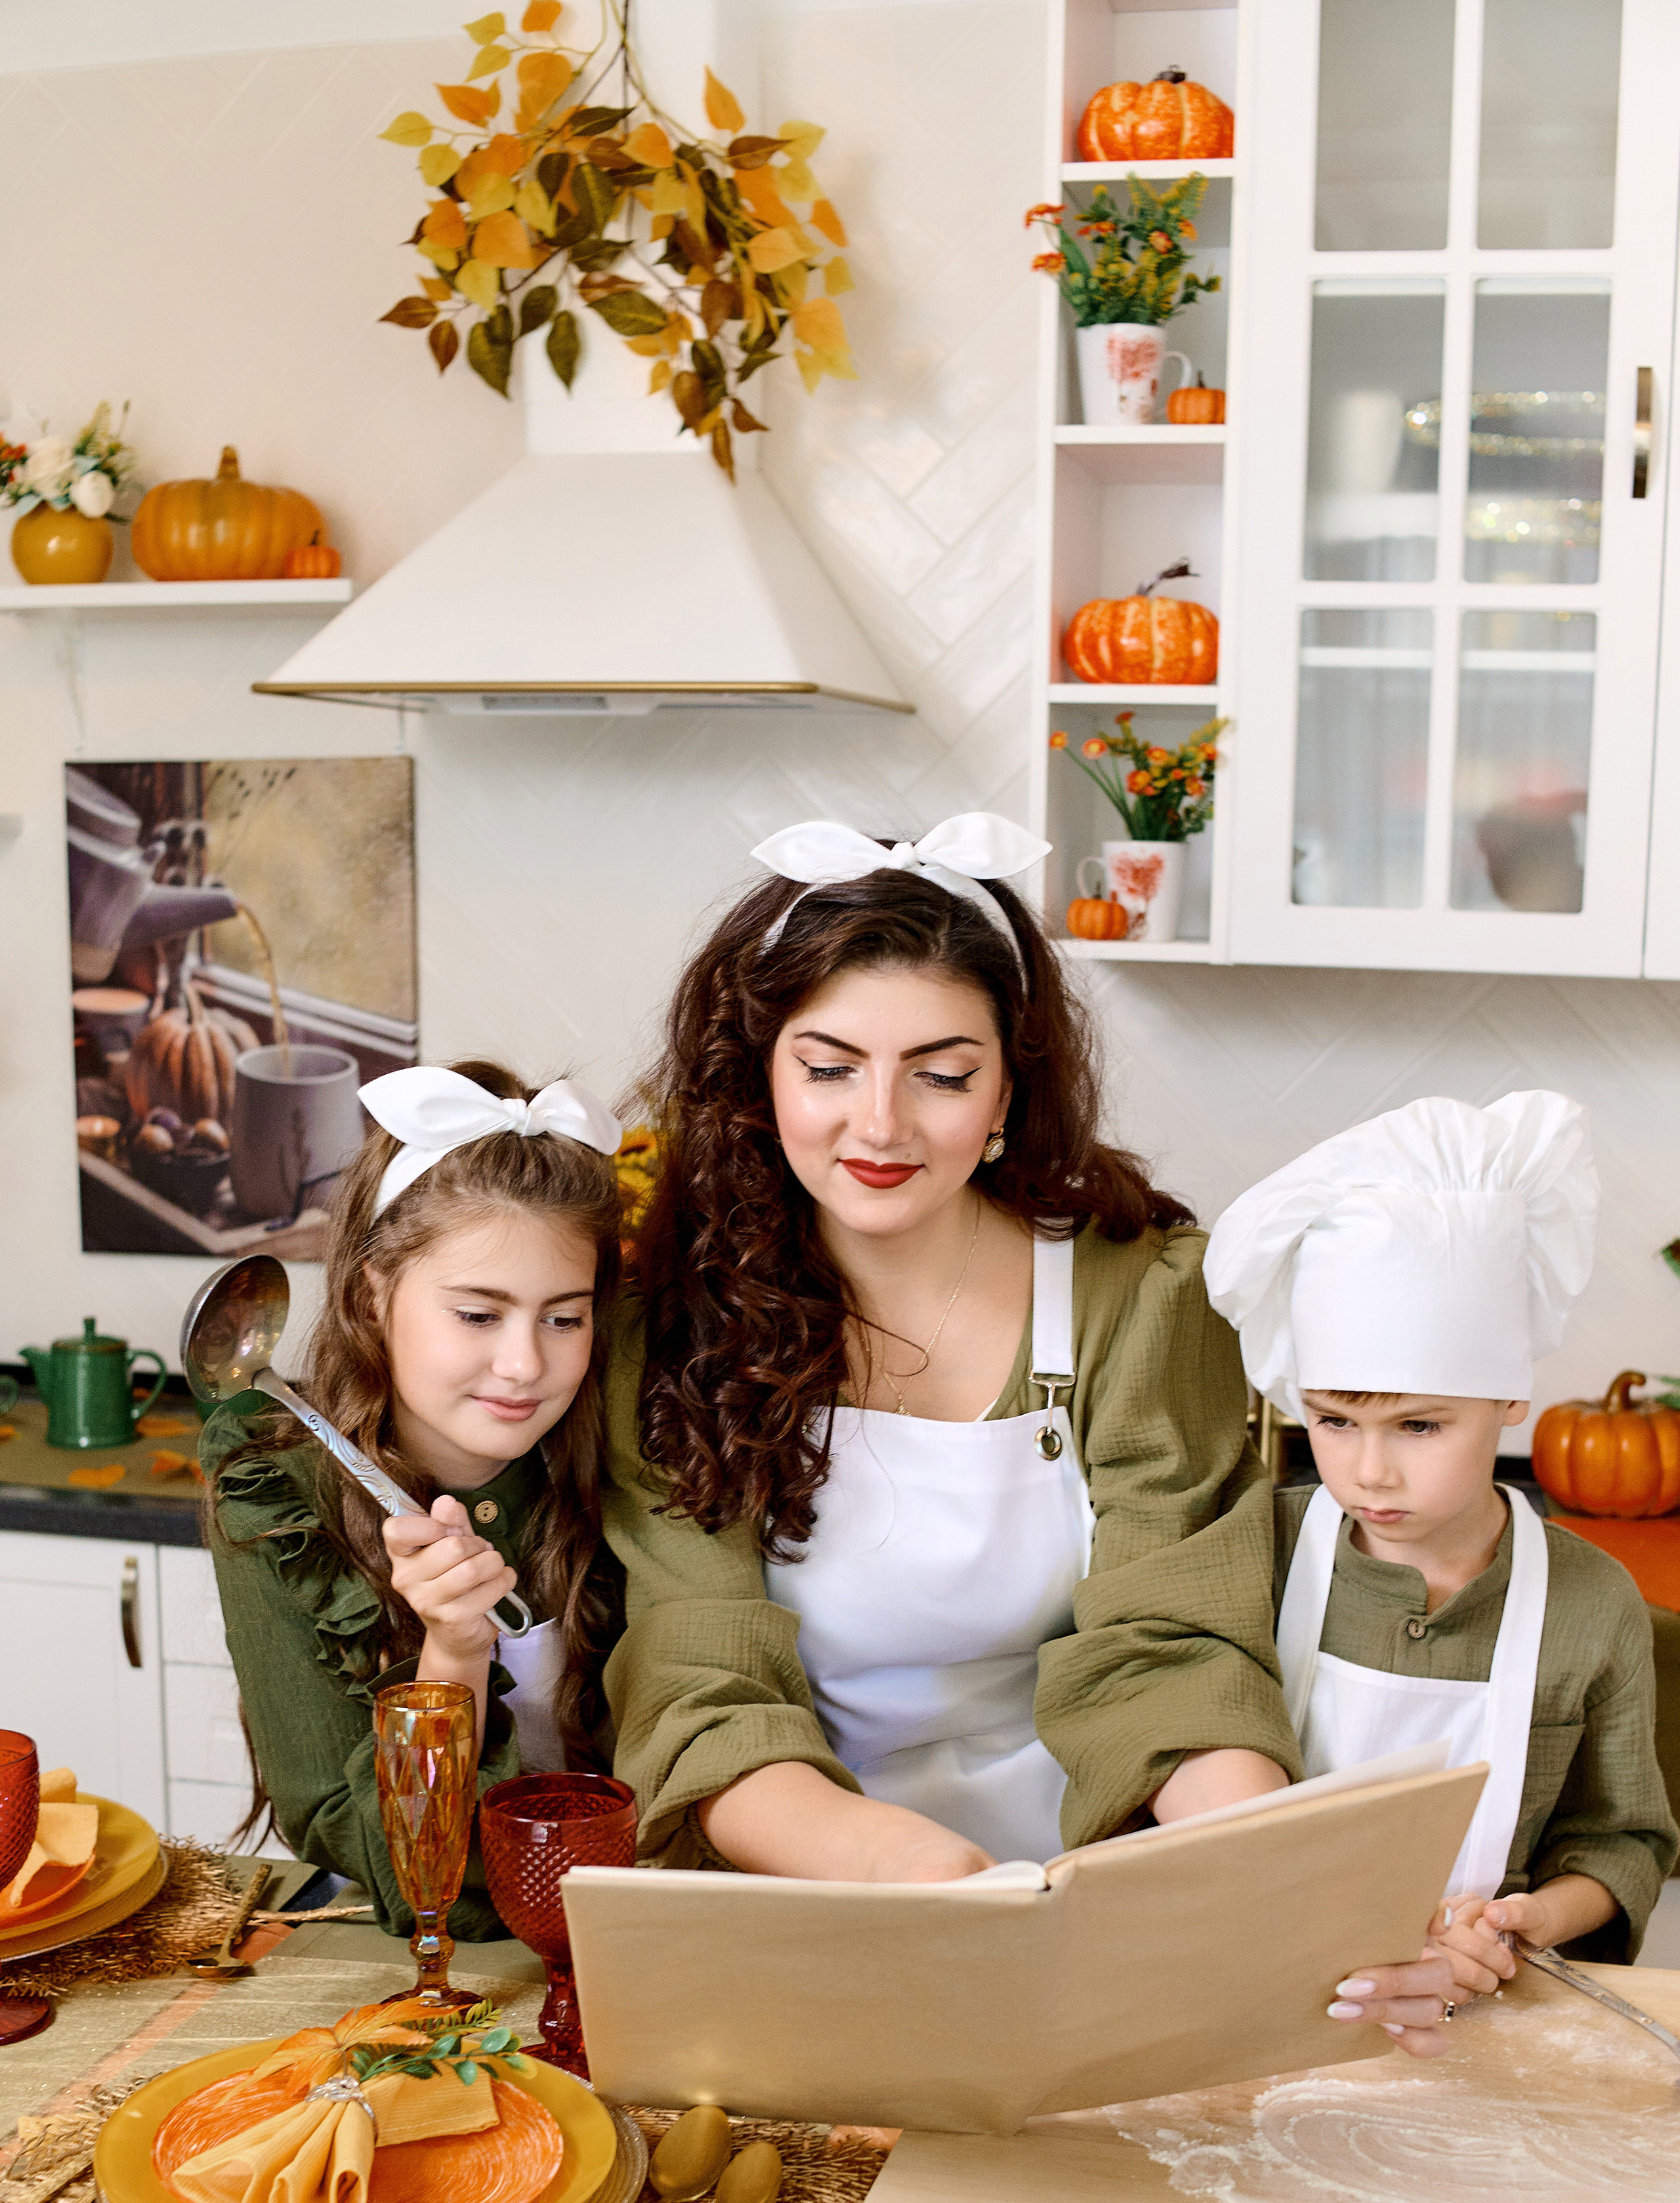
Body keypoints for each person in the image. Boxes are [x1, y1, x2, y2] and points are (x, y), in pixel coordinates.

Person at [602, 810, 1326, 1895]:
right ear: (761, 1079)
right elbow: (705, 1695)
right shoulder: (673, 1330)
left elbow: (1173, 1656)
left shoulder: (1140, 1294)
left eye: (940, 1075)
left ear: (1007, 1092)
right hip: (800, 1876)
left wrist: (1263, 1873)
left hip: (1100, 1872)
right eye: (830, 1068)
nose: (880, 1127)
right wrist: (919, 1873)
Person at [1204, 1091, 1679, 2047]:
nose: (1368, 1470)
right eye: (1334, 1421)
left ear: (1510, 1396)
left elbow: (1621, 1840)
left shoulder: (1592, 1604)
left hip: (1482, 2007)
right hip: (1258, 2006)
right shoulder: (1249, 1555)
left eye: (1419, 1426)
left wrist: (1527, 1921)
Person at [201, 1059, 624, 1934]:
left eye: (564, 1316)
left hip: (635, 1932)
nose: (525, 1365)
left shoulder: (629, 1446)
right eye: (478, 1313)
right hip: (415, 1955)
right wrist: (454, 1655)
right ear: (371, 1292)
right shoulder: (275, 1485)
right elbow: (386, 1864)